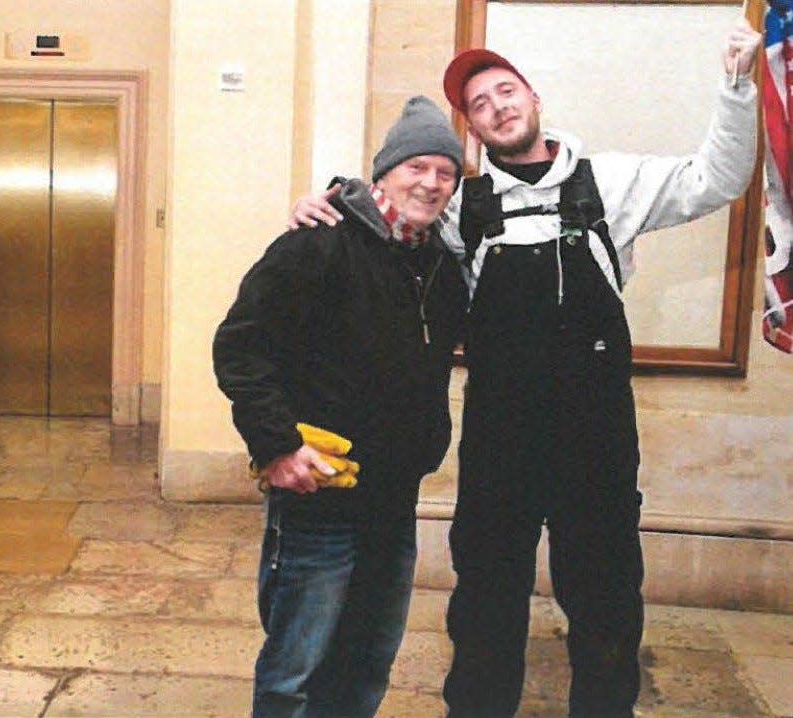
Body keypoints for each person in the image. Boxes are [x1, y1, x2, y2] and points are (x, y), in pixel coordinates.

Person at [289, 20, 762, 718]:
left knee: (604, 598)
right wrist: (323, 204)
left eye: (505, 91)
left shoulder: (612, 184)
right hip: (500, 438)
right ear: (473, 131)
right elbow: (391, 211)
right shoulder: (463, 209)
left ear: (533, 98)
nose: (497, 107)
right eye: (479, 105)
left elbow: (718, 177)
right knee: (485, 600)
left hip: (595, 439)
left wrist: (736, 86)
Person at [214, 96, 468, 718]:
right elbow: (240, 345)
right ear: (384, 173)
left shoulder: (441, 262)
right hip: (319, 500)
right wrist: (274, 445)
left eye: (446, 173)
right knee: (295, 669)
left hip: (393, 500)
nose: (431, 183)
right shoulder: (319, 243)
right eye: (418, 168)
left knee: (367, 662)